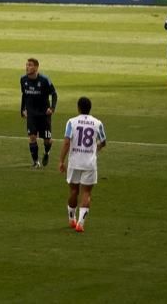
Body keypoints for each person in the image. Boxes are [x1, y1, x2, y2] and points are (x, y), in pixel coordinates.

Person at [59, 96, 106, 233]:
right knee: (86, 192)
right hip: (89, 163)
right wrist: (95, 148)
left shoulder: (71, 122)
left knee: (73, 191)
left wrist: (61, 160)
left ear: (78, 108)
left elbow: (67, 142)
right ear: (90, 108)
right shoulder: (97, 123)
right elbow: (103, 141)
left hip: (74, 162)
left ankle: (71, 219)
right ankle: (80, 223)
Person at [20, 58, 58, 168]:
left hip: (44, 114)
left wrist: (52, 108)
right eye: (26, 65)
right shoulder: (23, 80)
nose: (27, 67)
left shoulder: (44, 80)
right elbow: (24, 95)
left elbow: (54, 94)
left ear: (36, 67)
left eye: (30, 65)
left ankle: (46, 153)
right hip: (31, 114)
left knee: (47, 141)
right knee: (32, 137)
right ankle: (36, 162)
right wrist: (22, 109)